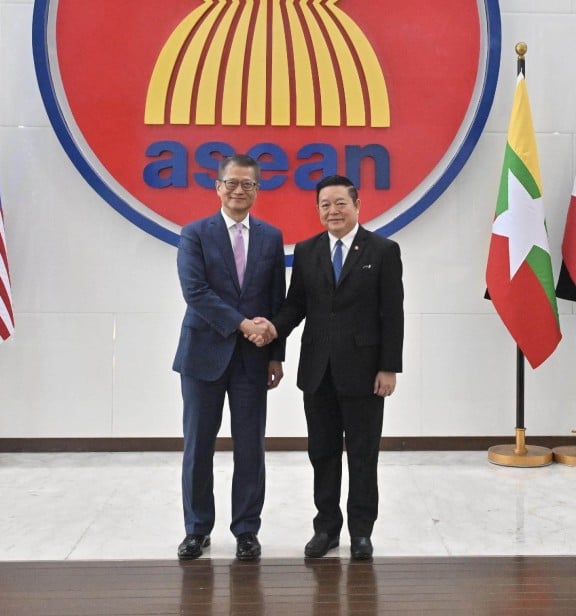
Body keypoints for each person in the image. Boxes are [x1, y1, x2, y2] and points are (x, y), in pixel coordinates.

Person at [254, 174, 403, 560]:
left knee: (363, 454)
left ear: (357, 205)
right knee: (322, 453)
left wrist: (389, 368)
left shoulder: (383, 250)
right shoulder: (307, 251)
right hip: (317, 372)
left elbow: (392, 314)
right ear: (318, 210)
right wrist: (273, 333)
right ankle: (326, 528)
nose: (333, 211)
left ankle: (361, 532)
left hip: (366, 373)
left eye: (340, 203)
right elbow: (295, 306)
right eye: (325, 205)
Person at [172, 154, 285, 560]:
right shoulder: (194, 233)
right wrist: (242, 324)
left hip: (253, 359)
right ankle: (197, 529)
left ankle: (246, 530)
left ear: (257, 190)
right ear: (218, 187)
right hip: (202, 354)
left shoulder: (271, 237)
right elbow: (195, 292)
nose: (239, 190)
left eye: (247, 184)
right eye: (231, 183)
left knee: (251, 447)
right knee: (198, 446)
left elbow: (276, 299)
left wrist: (275, 355)